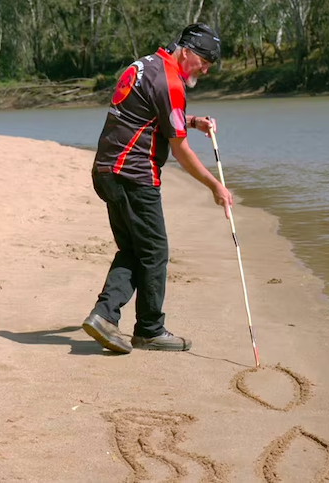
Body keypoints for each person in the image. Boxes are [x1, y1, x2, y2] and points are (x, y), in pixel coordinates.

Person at [82, 23, 233, 354]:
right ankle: (149, 330)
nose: (205, 70)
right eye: (204, 62)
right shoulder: (170, 81)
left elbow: (152, 114)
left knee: (135, 250)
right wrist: (215, 186)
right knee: (154, 252)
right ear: (187, 52)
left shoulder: (146, 65)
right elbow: (179, 149)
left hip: (106, 170)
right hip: (133, 175)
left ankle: (103, 316)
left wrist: (192, 121)